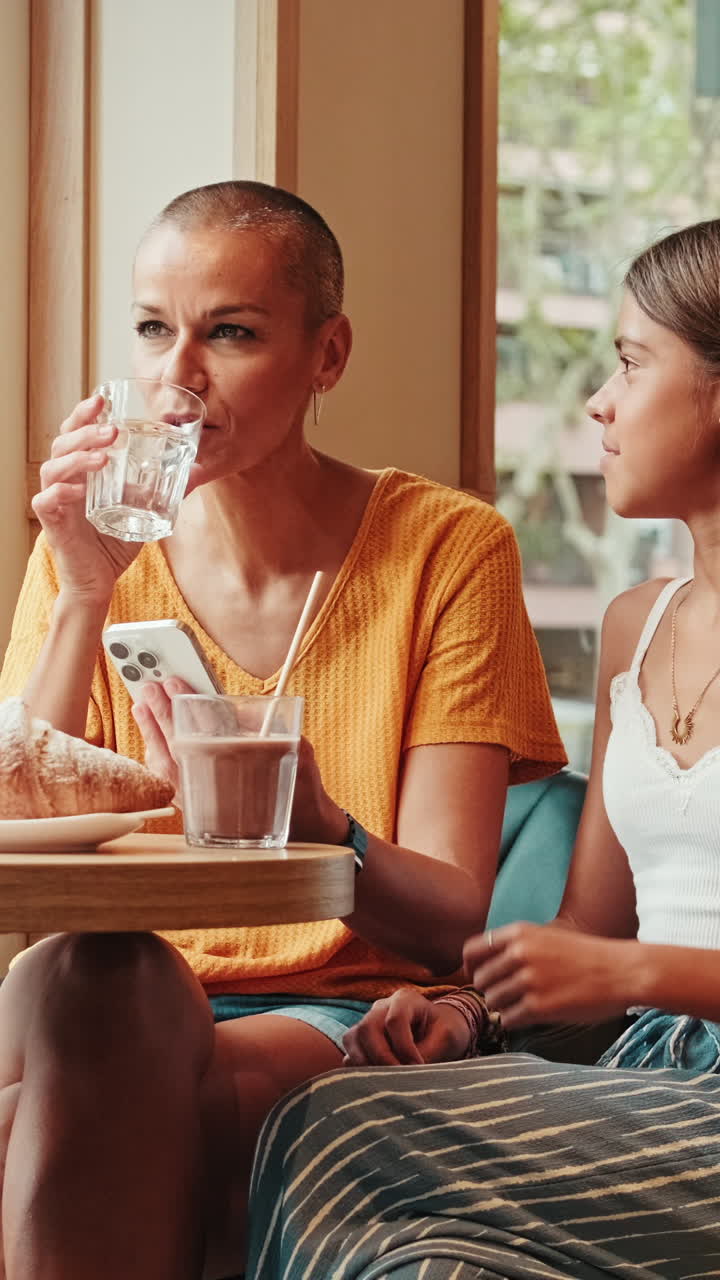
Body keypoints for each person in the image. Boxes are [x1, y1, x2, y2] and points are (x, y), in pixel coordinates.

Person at [0, 180, 565, 1280]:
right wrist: (78, 592)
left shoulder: (447, 549)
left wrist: (320, 821)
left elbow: (453, 912)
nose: (180, 377)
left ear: (328, 354)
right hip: (108, 970)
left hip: (332, 997)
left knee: (71, 1051)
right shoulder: (90, 552)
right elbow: (15, 808)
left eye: (234, 333)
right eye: (155, 329)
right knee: (100, 980)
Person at [245, 216, 720, 1280]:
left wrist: (636, 967)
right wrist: (461, 1011)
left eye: (633, 363)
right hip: (644, 1073)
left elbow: (616, 957)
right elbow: (588, 933)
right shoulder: (634, 625)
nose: (600, 402)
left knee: (339, 1128)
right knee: (426, 1263)